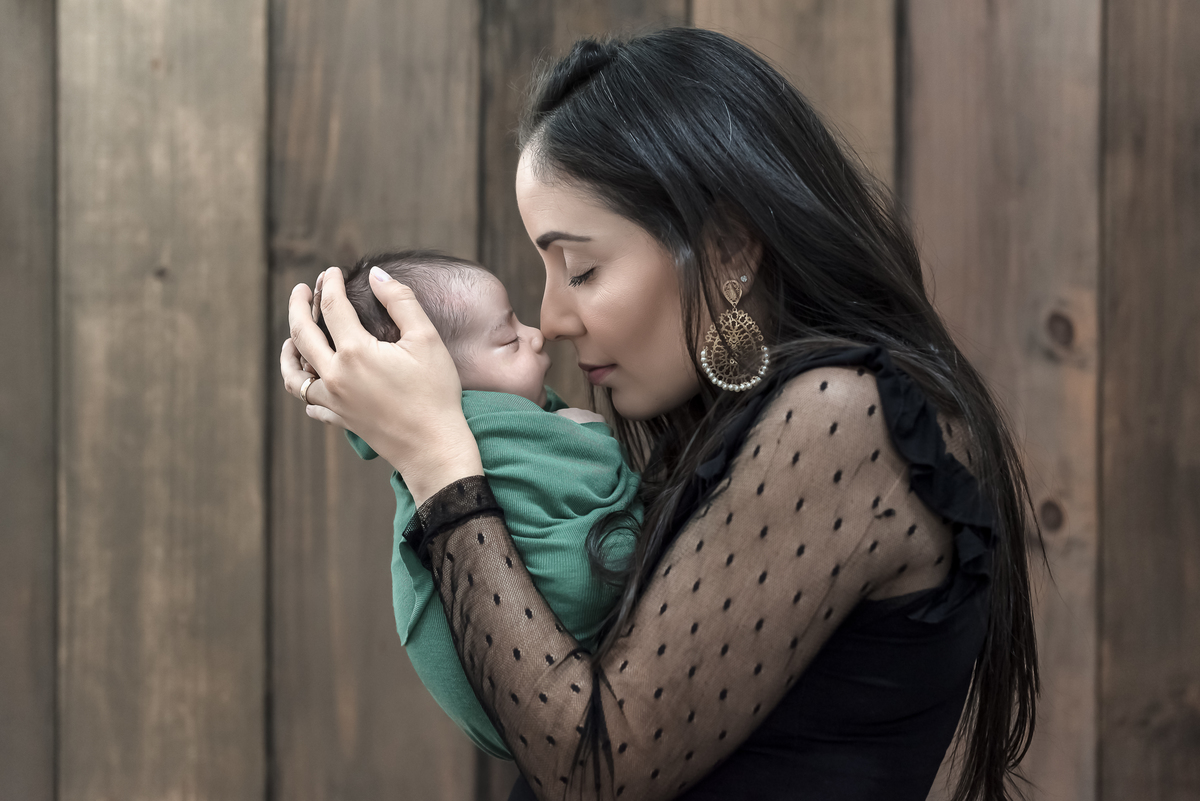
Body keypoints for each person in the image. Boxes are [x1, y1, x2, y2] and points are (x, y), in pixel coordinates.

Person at [281, 27, 1040, 801]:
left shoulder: (844, 417)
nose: (554, 318)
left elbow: (594, 769)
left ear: (730, 250)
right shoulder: (753, 422)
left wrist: (437, 458)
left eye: (582, 269)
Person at [307, 250, 642, 760]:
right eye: (508, 340)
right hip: (529, 667)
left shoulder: (507, 420)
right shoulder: (484, 425)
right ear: (437, 381)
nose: (536, 335)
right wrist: (590, 437)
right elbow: (593, 506)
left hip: (509, 703)